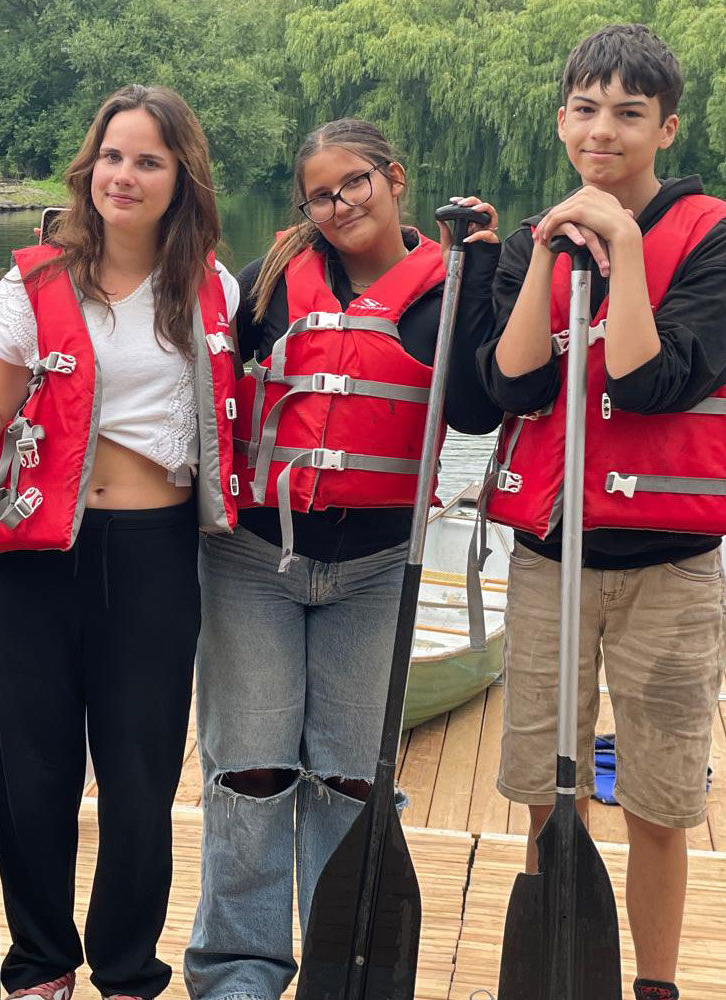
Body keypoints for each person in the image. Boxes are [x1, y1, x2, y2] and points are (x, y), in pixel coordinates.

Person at [0, 84, 240, 1000]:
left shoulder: (215, 288)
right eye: (112, 156)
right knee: (35, 774)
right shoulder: (32, 282)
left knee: (140, 779)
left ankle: (127, 970)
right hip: (38, 557)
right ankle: (39, 965)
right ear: (89, 167)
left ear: (180, 177)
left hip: (153, 556)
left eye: (147, 160)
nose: (124, 175)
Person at [182, 118, 503, 1000]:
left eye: (354, 183)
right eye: (320, 195)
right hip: (254, 559)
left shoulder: (449, 284)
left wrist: (479, 274)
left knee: (353, 782)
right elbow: (203, 388)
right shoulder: (268, 283)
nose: (339, 205)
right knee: (249, 772)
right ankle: (239, 971)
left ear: (394, 178)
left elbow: (479, 409)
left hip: (377, 567)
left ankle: (346, 967)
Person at [478, 25, 726, 1000]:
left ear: (665, 128)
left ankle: (655, 983)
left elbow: (647, 383)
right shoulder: (538, 240)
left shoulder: (717, 240)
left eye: (629, 114)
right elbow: (512, 385)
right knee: (544, 794)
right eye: (586, 109)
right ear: (562, 119)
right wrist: (547, 256)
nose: (603, 130)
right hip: (550, 560)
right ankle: (556, 973)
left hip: (667, 571)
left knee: (658, 800)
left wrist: (627, 246)